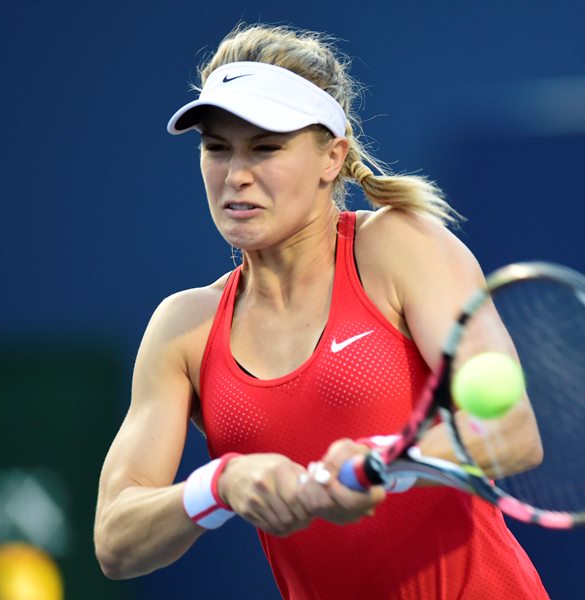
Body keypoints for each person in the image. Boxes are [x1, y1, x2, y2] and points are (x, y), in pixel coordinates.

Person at [94, 23, 548, 599]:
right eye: (216, 147)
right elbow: (115, 540)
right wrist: (218, 485)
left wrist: (382, 463)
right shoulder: (185, 327)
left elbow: (512, 430)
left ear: (331, 156)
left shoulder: (400, 246)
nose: (236, 174)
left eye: (265, 147)